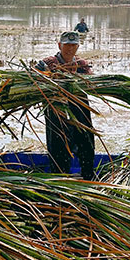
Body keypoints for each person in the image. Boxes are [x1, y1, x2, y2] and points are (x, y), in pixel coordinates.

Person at [35, 31, 95, 180]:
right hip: (56, 110)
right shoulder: (48, 63)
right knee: (58, 144)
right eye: (67, 45)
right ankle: (60, 179)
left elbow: (93, 82)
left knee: (86, 141)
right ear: (59, 45)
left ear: (78, 46)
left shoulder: (81, 65)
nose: (70, 49)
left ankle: (88, 176)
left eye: (73, 45)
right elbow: (34, 77)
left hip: (80, 108)